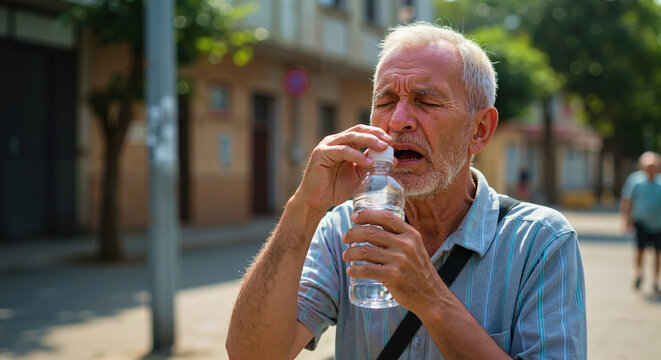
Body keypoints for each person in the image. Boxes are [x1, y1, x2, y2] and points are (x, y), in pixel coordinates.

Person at [227, 22, 586, 359]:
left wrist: (430, 298)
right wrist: (303, 208)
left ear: (479, 130)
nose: (398, 120)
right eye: (385, 102)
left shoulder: (541, 242)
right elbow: (250, 354)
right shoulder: (344, 228)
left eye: (426, 101)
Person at [621, 151, 661, 293]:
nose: (651, 169)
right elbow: (627, 201)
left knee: (658, 253)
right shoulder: (635, 181)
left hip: (658, 223)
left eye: (654, 166)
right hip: (641, 221)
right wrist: (627, 220)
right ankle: (639, 273)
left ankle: (656, 280)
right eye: (648, 166)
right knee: (640, 250)